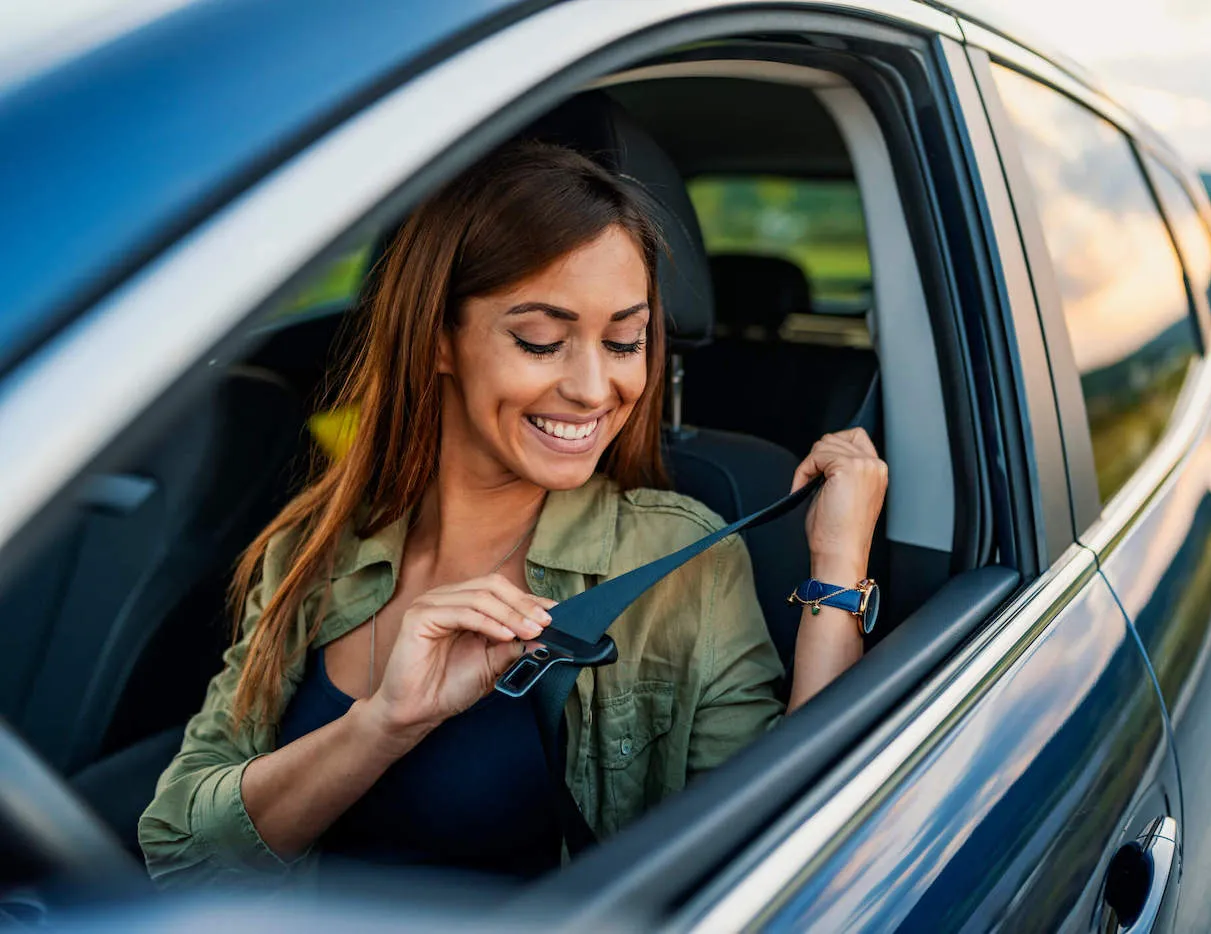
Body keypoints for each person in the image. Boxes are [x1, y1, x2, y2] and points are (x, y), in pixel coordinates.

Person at [138, 141, 887, 887]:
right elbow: (181, 850)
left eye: (625, 341)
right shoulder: (314, 545)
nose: (595, 388)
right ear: (438, 339)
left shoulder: (680, 557)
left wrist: (837, 571)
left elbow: (792, 849)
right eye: (541, 341)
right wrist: (383, 724)